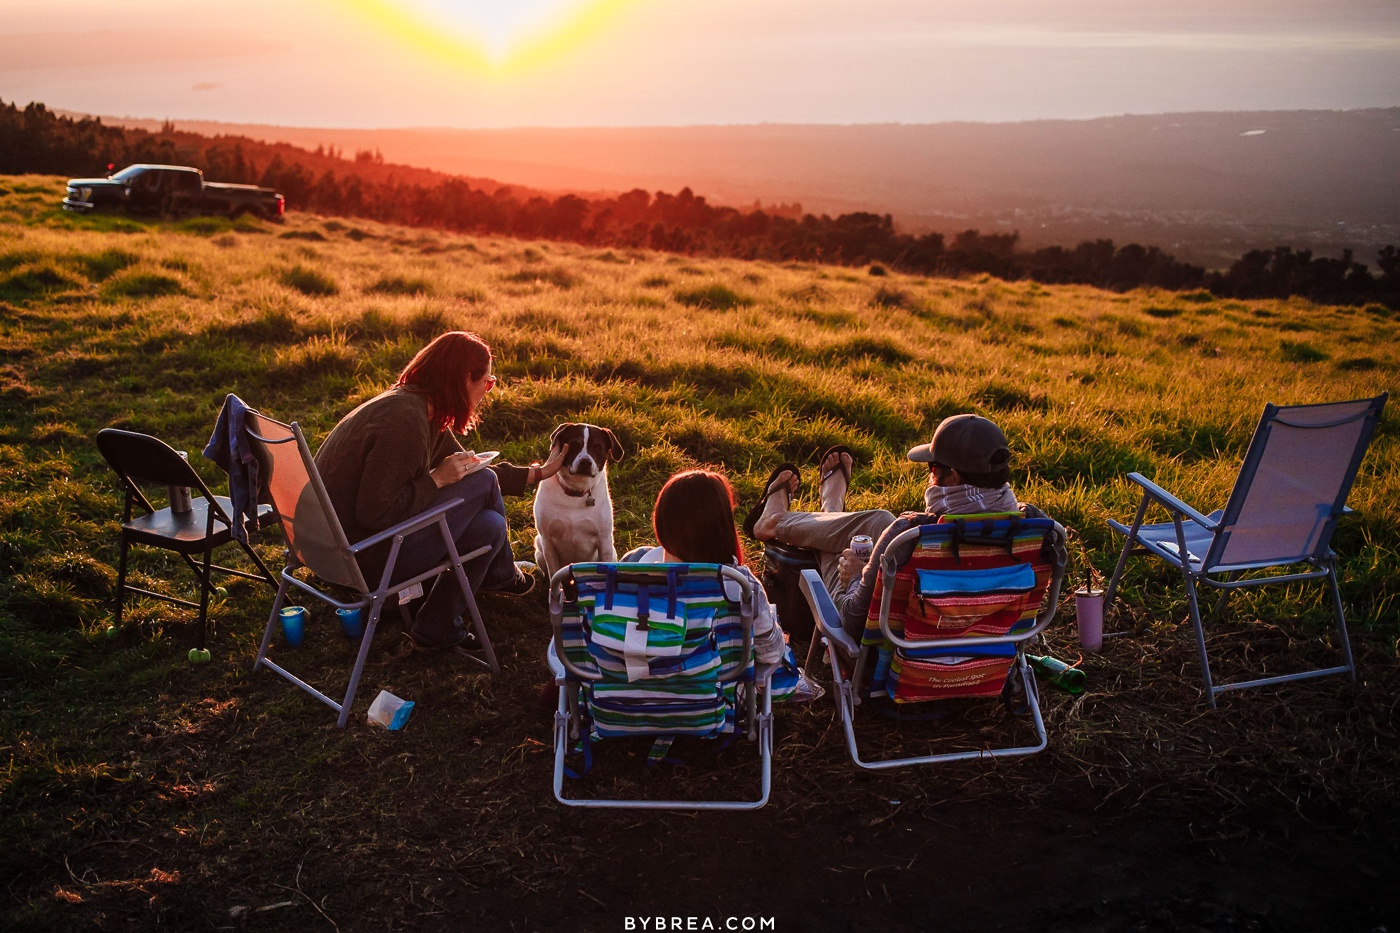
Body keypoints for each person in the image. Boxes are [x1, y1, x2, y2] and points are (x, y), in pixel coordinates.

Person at [315, 331, 566, 652]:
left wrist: (536, 474)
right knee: (485, 490)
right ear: (465, 380)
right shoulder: (404, 425)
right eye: (487, 382)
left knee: (488, 527)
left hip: (336, 550)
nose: (488, 391)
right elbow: (374, 513)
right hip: (361, 561)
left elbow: (471, 471)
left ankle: (438, 625)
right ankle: (502, 574)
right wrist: (436, 481)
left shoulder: (416, 406)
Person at [747, 414, 1029, 639]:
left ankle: (789, 519)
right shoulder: (1034, 528)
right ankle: (827, 511)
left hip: (902, 646)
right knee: (879, 520)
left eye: (932, 468)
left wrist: (856, 576)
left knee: (852, 544)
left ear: (952, 477)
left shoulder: (911, 533)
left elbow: (854, 621)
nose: (930, 476)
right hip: (989, 643)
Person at [627, 470, 788, 667]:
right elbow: (771, 654)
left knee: (637, 556)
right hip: (716, 693)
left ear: (661, 523)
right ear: (723, 525)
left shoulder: (626, 580)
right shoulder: (741, 585)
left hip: (630, 693)